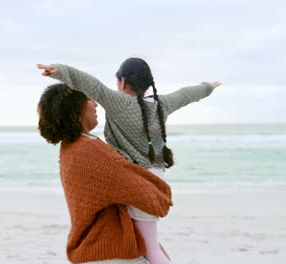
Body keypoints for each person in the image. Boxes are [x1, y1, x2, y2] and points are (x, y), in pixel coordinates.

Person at [38, 58, 222, 263]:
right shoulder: (161, 105)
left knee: (151, 249)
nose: (95, 101)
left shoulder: (119, 103)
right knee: (150, 245)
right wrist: (208, 87)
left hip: (139, 179)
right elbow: (187, 95)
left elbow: (91, 84)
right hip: (156, 175)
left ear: (122, 82)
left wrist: (60, 71)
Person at [37, 83, 173, 264]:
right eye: (89, 99)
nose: (96, 104)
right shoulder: (89, 150)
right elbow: (153, 200)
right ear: (75, 107)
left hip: (95, 251)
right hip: (111, 253)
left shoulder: (71, 147)